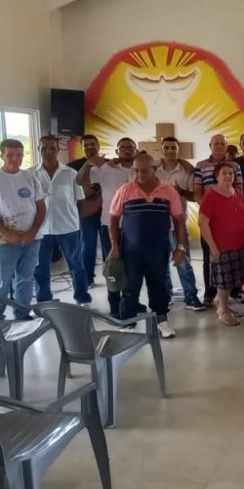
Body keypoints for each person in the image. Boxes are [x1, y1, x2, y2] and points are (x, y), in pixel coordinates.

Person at [107, 153, 186, 338]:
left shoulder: (169, 191)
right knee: (130, 287)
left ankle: (161, 321)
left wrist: (180, 247)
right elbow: (113, 219)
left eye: (144, 170)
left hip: (159, 251)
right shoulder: (125, 190)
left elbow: (179, 220)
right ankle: (128, 323)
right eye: (136, 170)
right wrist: (114, 246)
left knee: (158, 286)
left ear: (154, 169)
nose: (139, 174)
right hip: (130, 251)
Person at [0, 139, 46, 320]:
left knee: (26, 279)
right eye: (10, 155)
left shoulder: (31, 178)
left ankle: (22, 314)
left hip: (32, 238)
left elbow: (41, 208)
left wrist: (32, 232)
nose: (15, 159)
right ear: (2, 155)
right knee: (1, 281)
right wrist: (7, 233)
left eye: (19, 155)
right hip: (4, 239)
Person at [78, 138, 137, 309]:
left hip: (135, 225)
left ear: (135, 150)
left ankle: (130, 302)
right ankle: (115, 304)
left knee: (133, 266)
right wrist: (89, 164)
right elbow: (80, 181)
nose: (127, 150)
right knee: (113, 266)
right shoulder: (106, 169)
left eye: (130, 148)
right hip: (109, 225)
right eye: (122, 148)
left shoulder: (140, 169)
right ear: (117, 151)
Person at [33, 135, 89, 307]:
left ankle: (82, 298)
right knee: (40, 268)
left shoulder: (71, 174)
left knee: (76, 264)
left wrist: (76, 222)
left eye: (52, 148)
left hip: (68, 227)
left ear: (58, 150)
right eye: (44, 148)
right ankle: (44, 300)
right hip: (41, 229)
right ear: (38, 150)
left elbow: (80, 201)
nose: (48, 152)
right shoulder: (31, 175)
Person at [193, 133, 243, 307]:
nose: (219, 146)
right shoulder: (201, 166)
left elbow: (239, 190)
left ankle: (236, 290)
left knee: (235, 256)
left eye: (222, 143)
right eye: (216, 143)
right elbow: (197, 192)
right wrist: (212, 207)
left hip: (231, 218)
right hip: (210, 217)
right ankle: (210, 292)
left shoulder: (235, 166)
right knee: (211, 256)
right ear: (210, 145)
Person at [198, 163, 244, 327]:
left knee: (234, 278)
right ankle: (222, 310)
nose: (228, 176)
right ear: (217, 176)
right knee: (223, 280)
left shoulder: (238, 193)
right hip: (222, 246)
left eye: (231, 173)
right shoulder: (211, 196)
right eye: (224, 173)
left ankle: (226, 306)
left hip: (240, 245)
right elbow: (203, 223)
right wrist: (213, 248)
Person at [156, 137, 202, 310]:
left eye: (173, 147)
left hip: (178, 225)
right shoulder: (154, 170)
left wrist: (180, 192)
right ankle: (166, 294)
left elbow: (193, 196)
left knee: (184, 262)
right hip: (158, 224)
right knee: (160, 263)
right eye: (166, 147)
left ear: (178, 149)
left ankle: (191, 296)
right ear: (161, 150)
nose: (169, 150)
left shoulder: (186, 171)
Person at [68, 134, 104, 286]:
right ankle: (87, 279)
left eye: (92, 144)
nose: (90, 147)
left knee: (110, 247)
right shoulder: (72, 167)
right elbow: (70, 188)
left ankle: (112, 278)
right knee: (87, 246)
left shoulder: (108, 164)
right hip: (86, 212)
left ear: (98, 146)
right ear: (82, 148)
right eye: (86, 145)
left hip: (107, 212)